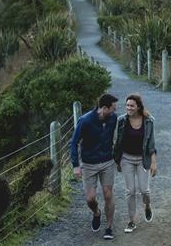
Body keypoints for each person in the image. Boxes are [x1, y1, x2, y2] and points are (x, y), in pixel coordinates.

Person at [69, 93, 119, 240]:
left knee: (108, 194)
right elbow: (74, 143)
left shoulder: (113, 119)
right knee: (90, 199)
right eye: (113, 108)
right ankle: (97, 213)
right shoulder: (85, 121)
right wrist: (75, 165)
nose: (115, 112)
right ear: (104, 108)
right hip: (89, 164)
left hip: (107, 162)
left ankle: (109, 227)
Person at [113, 93, 157, 233]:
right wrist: (117, 159)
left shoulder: (148, 121)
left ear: (138, 107)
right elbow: (117, 141)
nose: (129, 108)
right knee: (130, 191)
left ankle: (147, 205)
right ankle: (131, 221)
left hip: (142, 159)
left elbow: (151, 145)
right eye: (127, 105)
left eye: (132, 105)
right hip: (126, 159)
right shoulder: (121, 120)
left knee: (145, 190)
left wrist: (153, 163)